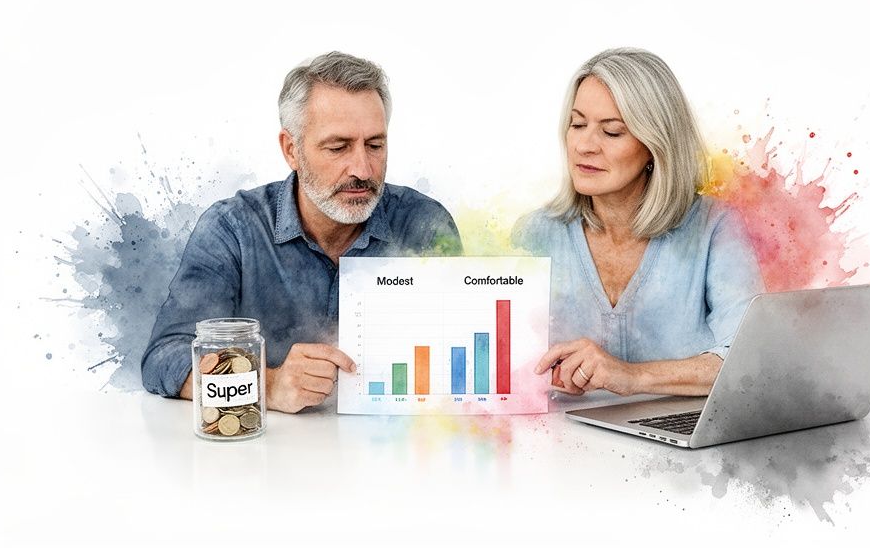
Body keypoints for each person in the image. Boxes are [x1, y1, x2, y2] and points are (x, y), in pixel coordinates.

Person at [142, 52, 462, 412]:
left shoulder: (424, 225)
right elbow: (165, 356)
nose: (362, 168)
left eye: (375, 145)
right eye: (338, 147)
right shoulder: (233, 229)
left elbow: (463, 350)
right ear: (291, 149)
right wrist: (268, 384)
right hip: (265, 458)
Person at [514, 48, 764, 398]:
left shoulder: (715, 227)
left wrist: (632, 376)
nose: (584, 145)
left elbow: (749, 362)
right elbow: (502, 372)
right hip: (564, 446)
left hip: (678, 448)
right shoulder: (533, 235)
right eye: (577, 124)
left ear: (654, 145)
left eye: (612, 132)